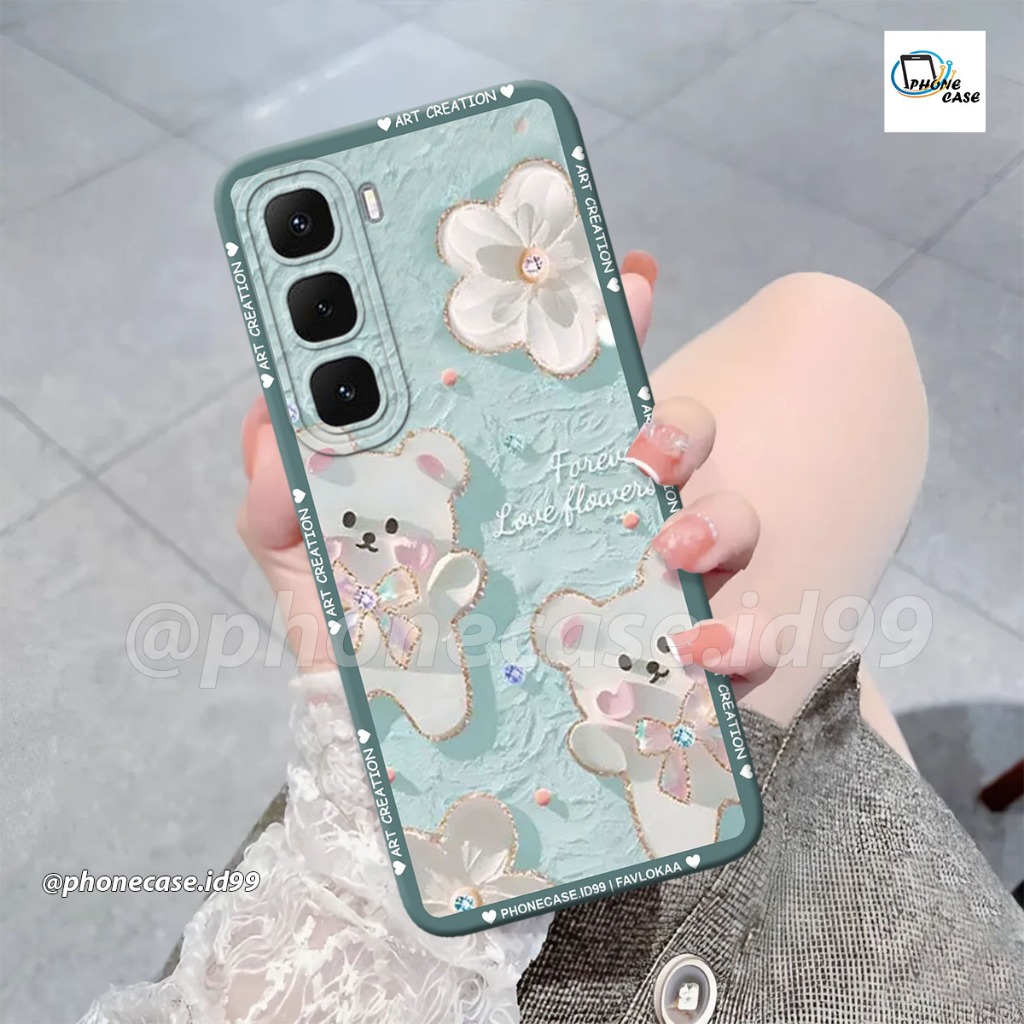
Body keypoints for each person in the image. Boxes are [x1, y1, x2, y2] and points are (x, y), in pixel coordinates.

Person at [83, 256, 1023, 1023]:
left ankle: (819, 687)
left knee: (792, 626)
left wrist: (372, 751)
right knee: (837, 339)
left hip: (448, 873)